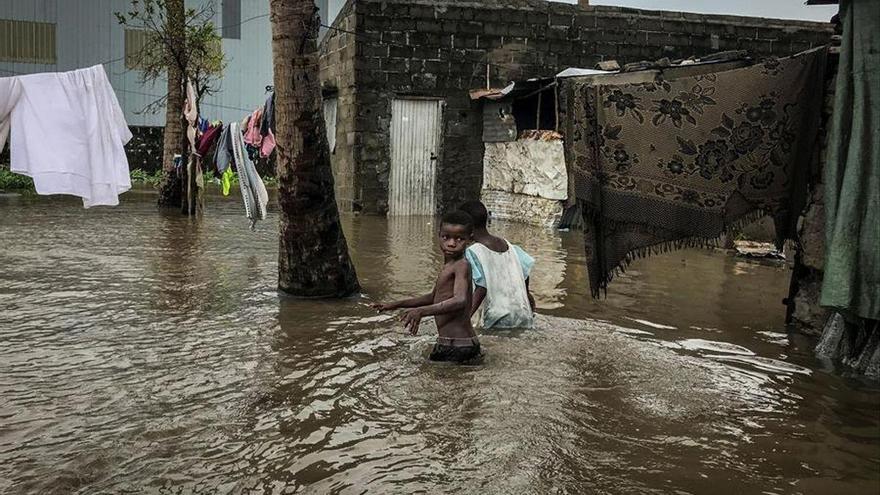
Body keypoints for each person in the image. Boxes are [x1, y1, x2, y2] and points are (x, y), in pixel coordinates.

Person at [372, 211, 481, 363]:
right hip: (459, 344)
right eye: (446, 237)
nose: (451, 243)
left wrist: (422, 312)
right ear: (439, 235)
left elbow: (460, 300)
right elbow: (432, 297)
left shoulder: (461, 265)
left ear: (470, 239)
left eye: (459, 239)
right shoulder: (450, 265)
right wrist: (394, 304)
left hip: (457, 346)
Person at [458, 200, 535, 329]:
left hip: (495, 320)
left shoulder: (472, 253)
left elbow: (481, 289)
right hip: (522, 315)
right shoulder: (513, 249)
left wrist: (463, 322)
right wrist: (531, 313)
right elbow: (525, 283)